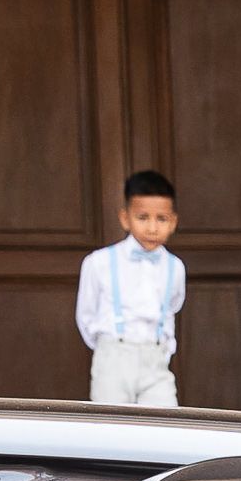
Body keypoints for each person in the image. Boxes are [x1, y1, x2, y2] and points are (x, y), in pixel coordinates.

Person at [76, 171, 186, 407]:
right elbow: (86, 316)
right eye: (143, 217)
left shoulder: (175, 267)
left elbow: (171, 309)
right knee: (112, 428)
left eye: (162, 219)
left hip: (155, 361)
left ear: (173, 222)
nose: (153, 228)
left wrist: (164, 349)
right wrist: (111, 346)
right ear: (125, 218)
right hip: (114, 358)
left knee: (165, 424)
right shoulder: (99, 262)